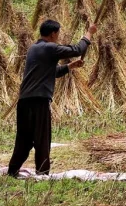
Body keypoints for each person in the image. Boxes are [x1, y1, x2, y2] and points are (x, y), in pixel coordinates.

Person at [7, 19, 97, 177]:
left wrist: (70, 67)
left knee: (24, 139)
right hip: (39, 101)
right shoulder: (50, 48)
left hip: (24, 101)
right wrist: (89, 33)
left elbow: (52, 72)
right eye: (58, 34)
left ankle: (13, 171)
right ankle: (42, 173)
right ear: (53, 33)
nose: (58, 37)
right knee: (42, 138)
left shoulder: (34, 49)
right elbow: (77, 49)